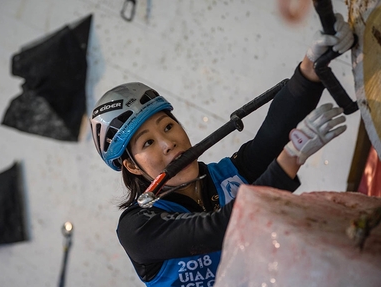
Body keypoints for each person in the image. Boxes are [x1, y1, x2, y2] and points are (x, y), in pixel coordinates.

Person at [90, 13, 354, 287]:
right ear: (132, 166)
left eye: (168, 127)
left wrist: (312, 66)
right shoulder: (137, 228)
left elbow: (271, 136)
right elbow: (217, 228)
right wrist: (292, 157)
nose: (168, 143)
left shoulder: (228, 176)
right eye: (148, 143)